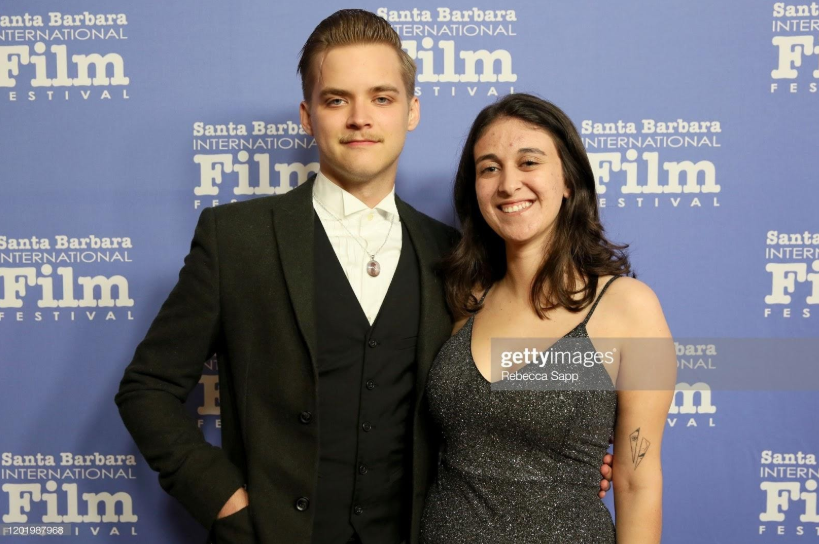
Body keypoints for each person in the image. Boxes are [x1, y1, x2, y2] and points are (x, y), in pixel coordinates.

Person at [115, 10, 613, 544]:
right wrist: (224, 501)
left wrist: (566, 457)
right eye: (336, 100)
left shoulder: (454, 257)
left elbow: (516, 375)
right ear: (308, 116)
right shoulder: (236, 239)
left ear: (411, 110)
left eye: (381, 97)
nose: (360, 118)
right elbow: (147, 388)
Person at [420, 94, 676, 543]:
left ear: (568, 182)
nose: (508, 184)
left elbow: (638, 481)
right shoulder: (462, 302)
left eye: (529, 162)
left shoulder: (631, 308)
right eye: (489, 168)